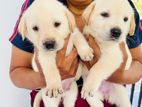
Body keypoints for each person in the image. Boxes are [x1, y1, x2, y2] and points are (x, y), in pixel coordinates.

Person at [9, 0, 142, 107]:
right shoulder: (36, 6)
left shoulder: (123, 5)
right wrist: (51, 79)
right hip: (51, 95)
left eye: (57, 24)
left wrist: (114, 75)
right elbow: (16, 72)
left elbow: (139, 64)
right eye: (104, 15)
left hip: (106, 94)